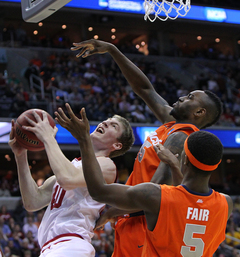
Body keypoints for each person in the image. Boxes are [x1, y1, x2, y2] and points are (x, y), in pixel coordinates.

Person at [71, 39, 223, 256]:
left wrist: (110, 212)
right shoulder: (172, 124)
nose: (181, 97)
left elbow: (157, 189)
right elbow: (144, 88)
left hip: (142, 224)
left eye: (190, 98)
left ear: (199, 113)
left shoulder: (181, 137)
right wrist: (113, 50)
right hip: (130, 220)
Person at [68, 108, 233, 256]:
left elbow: (98, 190)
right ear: (216, 166)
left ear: (185, 161)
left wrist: (84, 140)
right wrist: (175, 168)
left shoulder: (160, 196)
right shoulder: (226, 204)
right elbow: (190, 201)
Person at [8, 107, 134, 257]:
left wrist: (48, 138)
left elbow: (67, 179)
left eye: (114, 126)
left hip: (72, 243)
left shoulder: (107, 166)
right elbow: (32, 202)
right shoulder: (72, 166)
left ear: (117, 145)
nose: (105, 123)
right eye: (106, 121)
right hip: (50, 247)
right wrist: (21, 156)